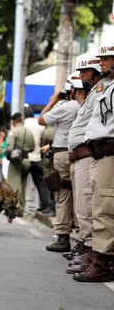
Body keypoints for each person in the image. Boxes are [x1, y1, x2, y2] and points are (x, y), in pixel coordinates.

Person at [73, 43, 114, 282]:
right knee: (98, 208)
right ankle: (98, 257)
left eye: (105, 59)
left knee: (104, 210)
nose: (100, 64)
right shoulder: (106, 88)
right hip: (99, 155)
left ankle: (103, 261)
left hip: (108, 153)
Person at [65, 52, 111, 260]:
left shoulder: (103, 89)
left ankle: (94, 251)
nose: (81, 75)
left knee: (91, 206)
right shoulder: (95, 92)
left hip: (91, 155)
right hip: (84, 156)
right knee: (84, 206)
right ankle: (88, 247)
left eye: (85, 70)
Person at [39, 80, 80, 253]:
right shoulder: (84, 105)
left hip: (63, 154)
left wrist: (52, 101)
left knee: (62, 193)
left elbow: (42, 119)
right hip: (81, 153)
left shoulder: (68, 106)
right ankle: (83, 239)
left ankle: (63, 237)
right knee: (80, 195)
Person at [3, 112, 35, 217]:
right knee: (23, 185)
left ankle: (14, 207)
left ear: (14, 121)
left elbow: (9, 148)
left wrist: (4, 152)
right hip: (26, 160)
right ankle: (21, 207)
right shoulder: (29, 132)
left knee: (14, 186)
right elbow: (33, 148)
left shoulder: (14, 132)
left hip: (15, 161)